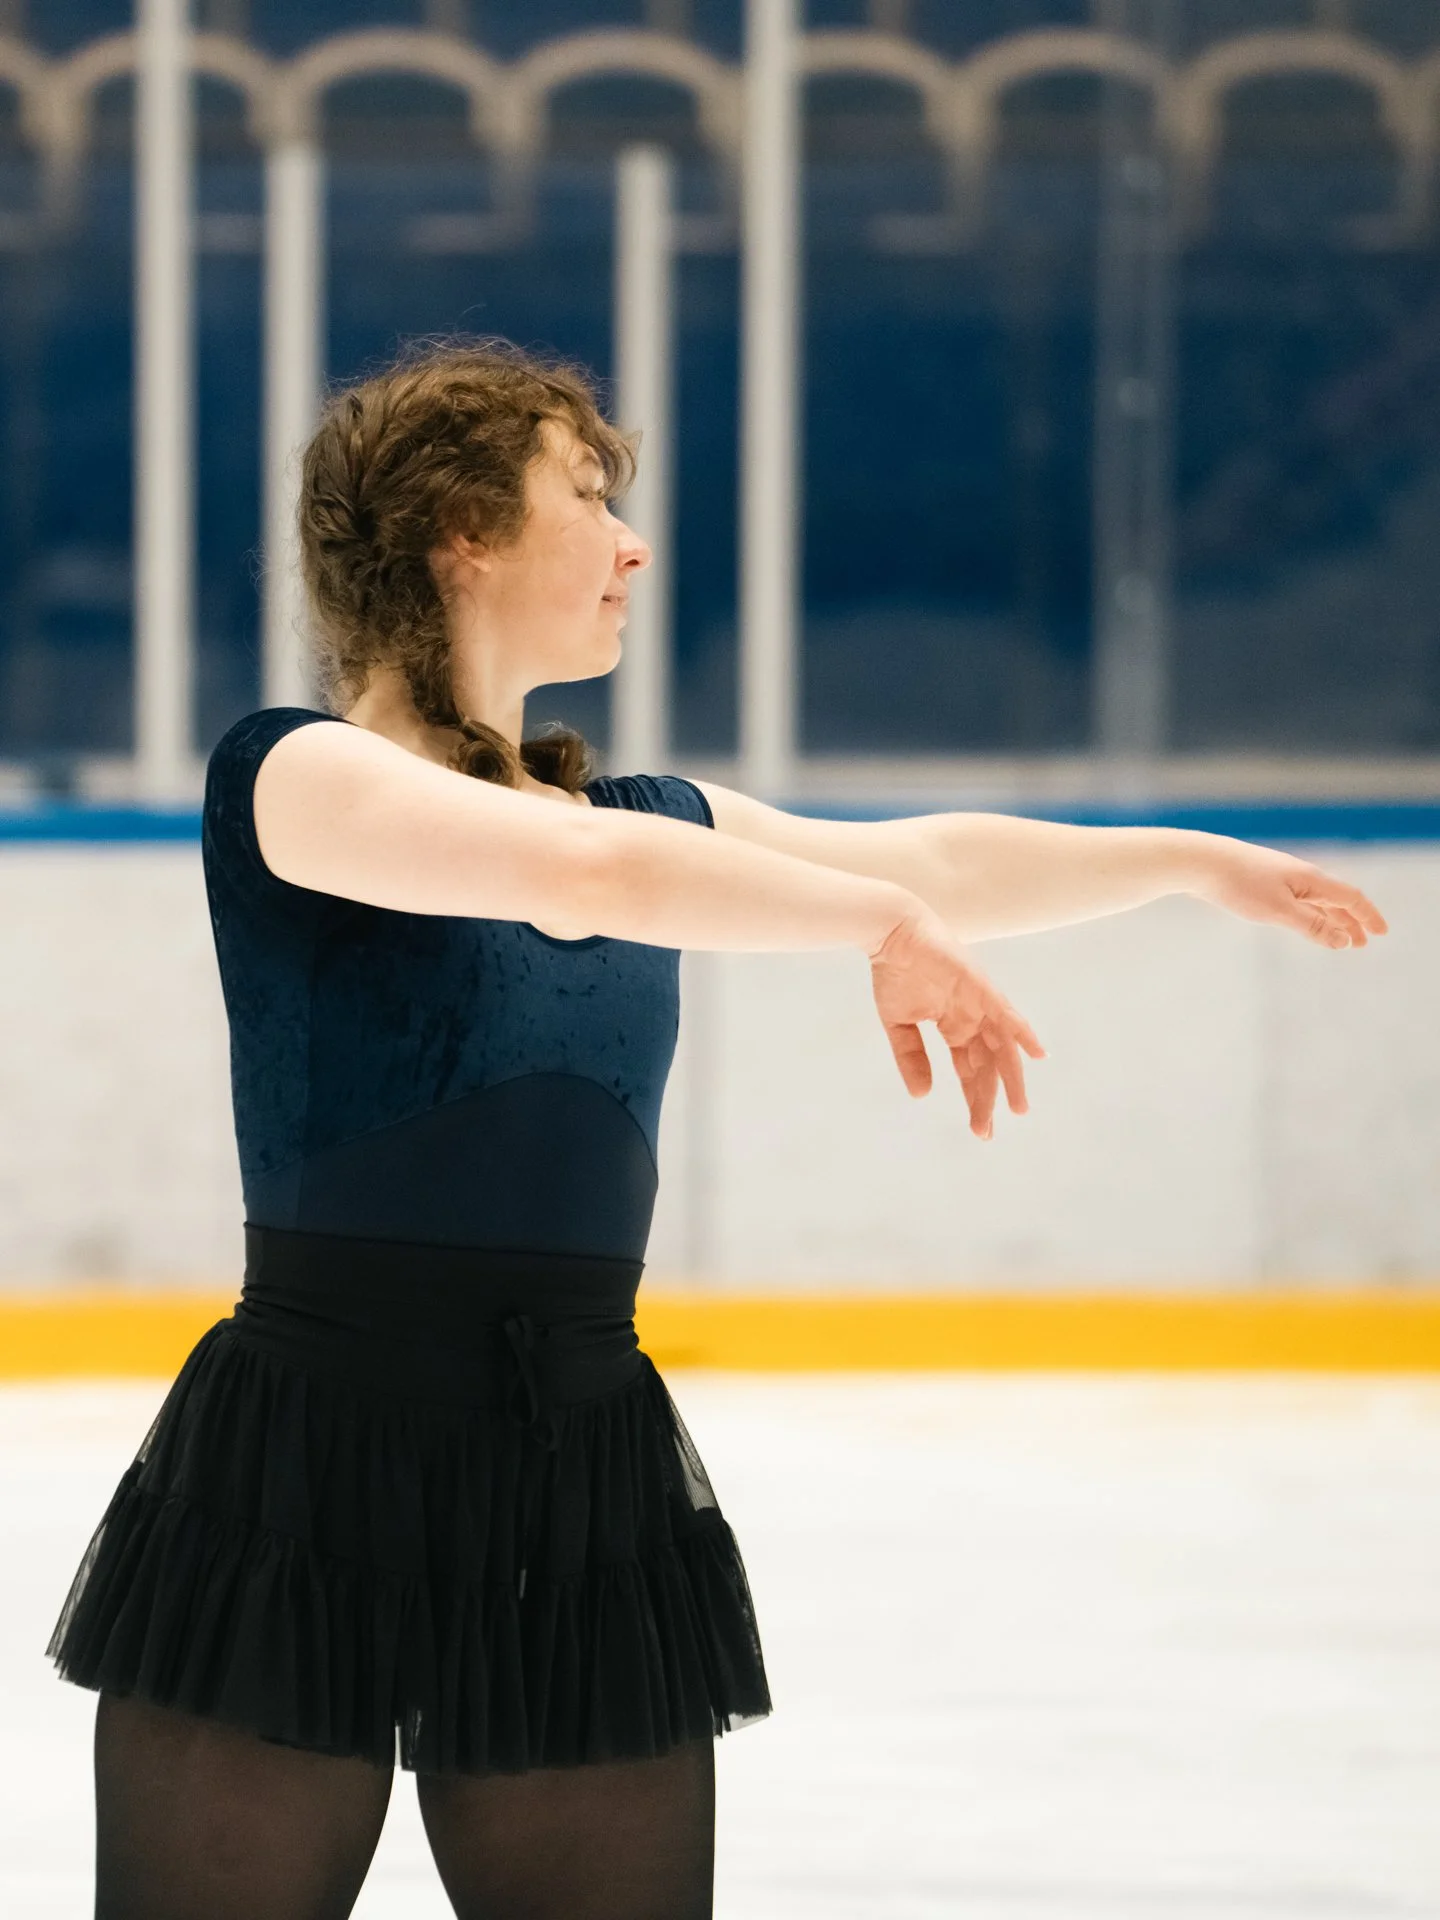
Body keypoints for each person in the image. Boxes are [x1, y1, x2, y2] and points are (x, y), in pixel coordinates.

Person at [46, 340, 1386, 1920]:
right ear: (458, 530)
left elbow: (931, 863)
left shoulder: (645, 821)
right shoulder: (299, 776)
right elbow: (579, 887)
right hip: (303, 1473)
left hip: (575, 1490)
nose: (633, 543)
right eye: (589, 496)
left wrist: (1183, 860)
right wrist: (874, 919)